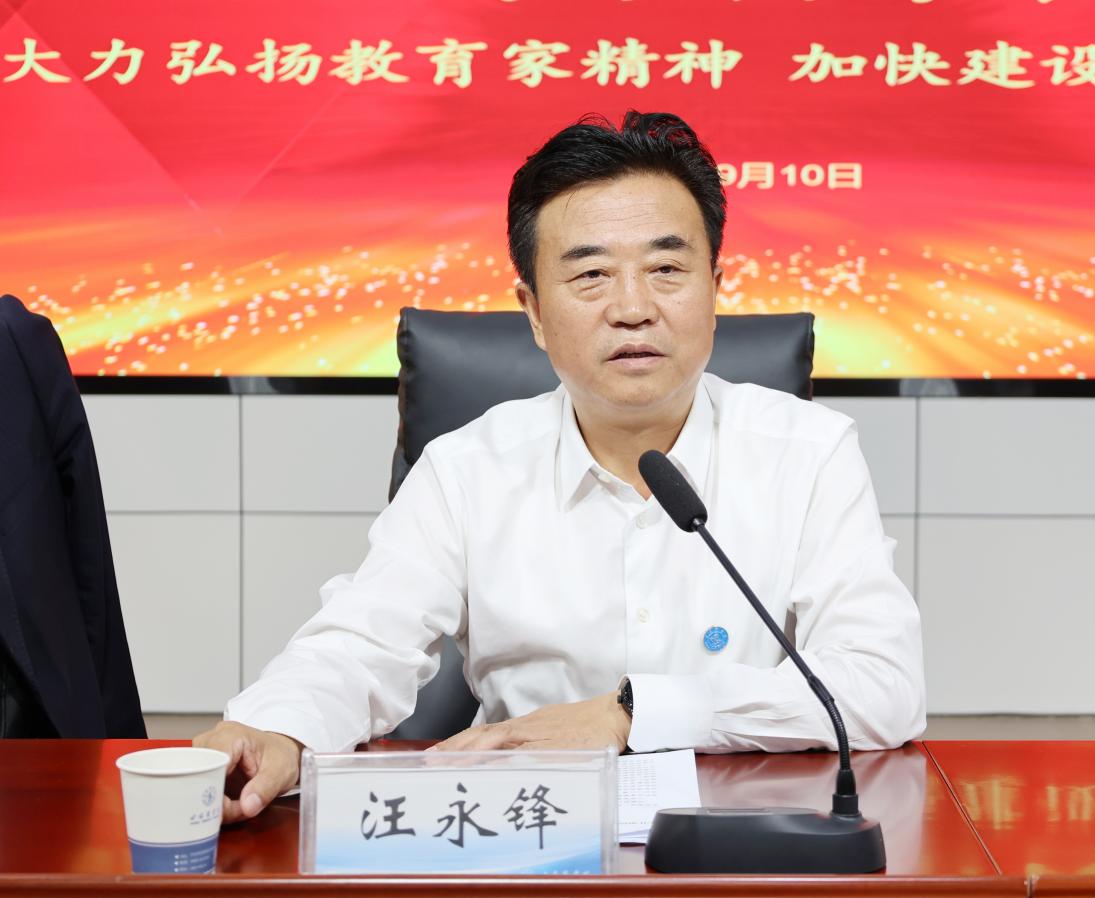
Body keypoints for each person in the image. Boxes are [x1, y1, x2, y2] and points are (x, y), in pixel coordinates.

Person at [195, 111, 925, 822]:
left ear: (715, 290)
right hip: (526, 833)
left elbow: (882, 686)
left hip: (739, 835)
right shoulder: (468, 469)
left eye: (666, 269)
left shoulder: (808, 452)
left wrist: (631, 713)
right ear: (535, 311)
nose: (633, 308)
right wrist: (279, 728)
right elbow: (360, 643)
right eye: (591, 275)